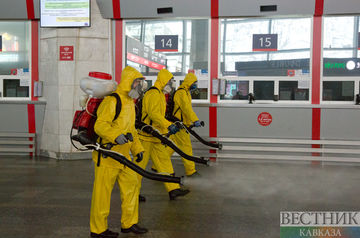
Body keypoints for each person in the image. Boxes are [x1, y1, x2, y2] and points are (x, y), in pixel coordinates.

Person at [90, 66, 148, 237]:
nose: (139, 86)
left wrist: (138, 149)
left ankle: (129, 223)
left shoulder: (130, 103)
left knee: (132, 188)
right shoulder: (112, 101)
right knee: (102, 195)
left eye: (140, 83)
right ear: (129, 82)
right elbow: (100, 126)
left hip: (123, 156)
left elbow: (132, 130)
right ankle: (98, 229)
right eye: (137, 82)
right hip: (107, 156)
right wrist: (115, 136)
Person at [137, 68, 190, 200]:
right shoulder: (153, 93)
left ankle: (173, 189)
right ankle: (132, 192)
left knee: (165, 162)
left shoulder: (160, 94)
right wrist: (169, 125)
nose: (171, 85)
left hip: (156, 136)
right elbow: (153, 114)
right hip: (146, 137)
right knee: (138, 167)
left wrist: (166, 128)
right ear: (163, 81)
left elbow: (160, 115)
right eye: (170, 82)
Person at [167, 72, 202, 177]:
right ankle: (191, 171)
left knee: (171, 146)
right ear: (189, 82)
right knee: (186, 147)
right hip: (179, 124)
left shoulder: (186, 92)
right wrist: (195, 120)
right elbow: (186, 109)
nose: (195, 85)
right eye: (194, 82)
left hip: (179, 123)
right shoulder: (181, 93)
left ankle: (157, 166)